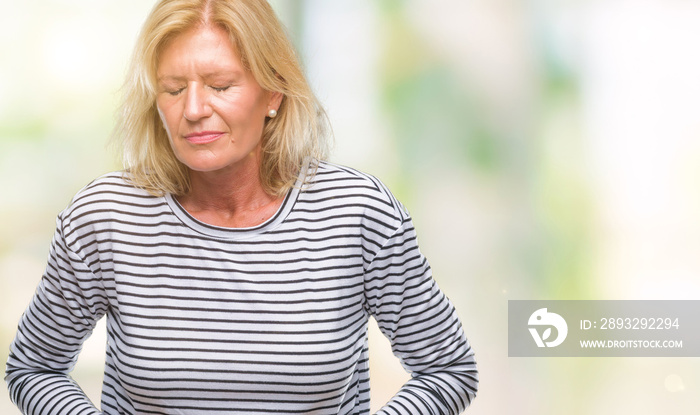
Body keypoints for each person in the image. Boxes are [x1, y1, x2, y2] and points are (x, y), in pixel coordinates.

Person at [5, 0, 478, 413]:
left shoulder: (358, 214)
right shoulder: (105, 218)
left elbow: (449, 369)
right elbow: (33, 368)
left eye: (220, 85)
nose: (193, 109)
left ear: (273, 92)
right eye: (173, 88)